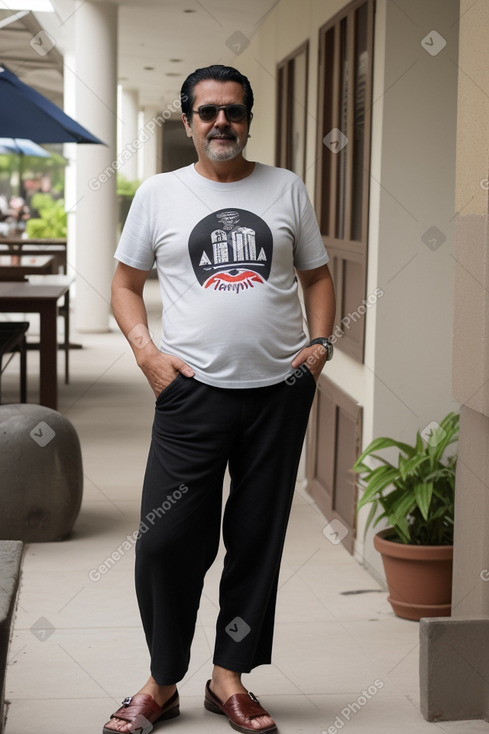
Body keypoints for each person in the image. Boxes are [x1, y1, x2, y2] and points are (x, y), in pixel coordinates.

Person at [104, 64, 336, 734]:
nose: (220, 123)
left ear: (247, 118)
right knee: (164, 541)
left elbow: (316, 276)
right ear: (188, 121)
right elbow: (123, 285)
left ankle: (228, 676)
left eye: (232, 111)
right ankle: (162, 677)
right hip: (190, 396)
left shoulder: (285, 188)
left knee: (255, 538)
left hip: (277, 395)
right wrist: (147, 353)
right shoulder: (159, 193)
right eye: (207, 113)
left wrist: (318, 347)